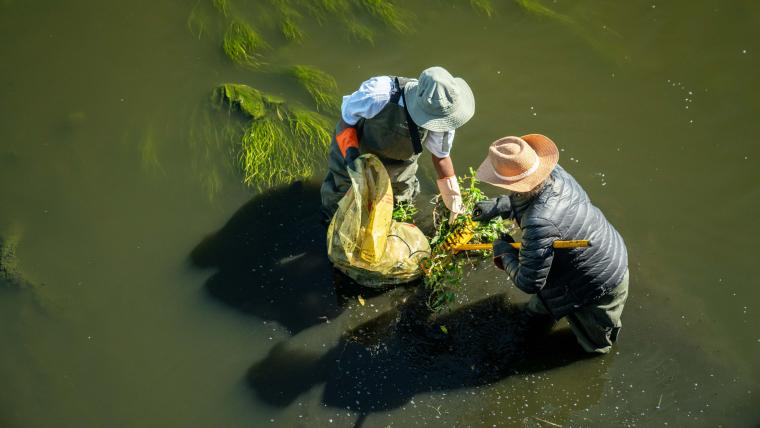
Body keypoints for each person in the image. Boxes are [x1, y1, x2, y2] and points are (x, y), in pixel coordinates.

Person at [472, 134, 629, 354]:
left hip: (599, 279)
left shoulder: (539, 223)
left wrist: (504, 252)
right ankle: (541, 318)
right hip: (575, 258)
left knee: (595, 344)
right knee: (539, 309)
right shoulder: (555, 172)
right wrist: (500, 205)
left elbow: (529, 282)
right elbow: (533, 197)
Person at [320, 66, 475, 224]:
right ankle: (332, 225)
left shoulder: (445, 116)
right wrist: (351, 157)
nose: (440, 124)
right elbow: (347, 122)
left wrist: (453, 199)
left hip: (400, 165)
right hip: (357, 149)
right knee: (342, 197)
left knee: (400, 204)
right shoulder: (378, 95)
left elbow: (441, 157)